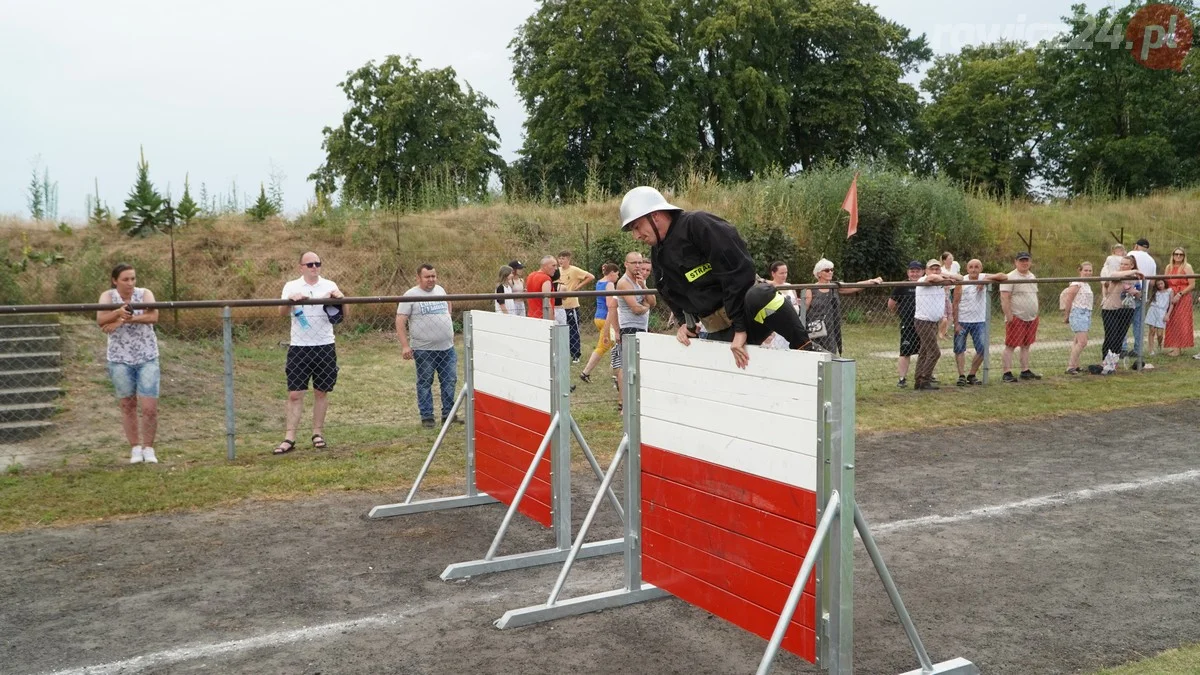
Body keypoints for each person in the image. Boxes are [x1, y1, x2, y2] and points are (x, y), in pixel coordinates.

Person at [619, 186, 811, 369]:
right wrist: (684, 322)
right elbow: (668, 291)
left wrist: (740, 328)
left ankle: (806, 348)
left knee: (761, 295)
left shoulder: (697, 224)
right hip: (718, 329)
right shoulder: (658, 253)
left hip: (749, 313)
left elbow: (736, 270)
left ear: (655, 216)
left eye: (637, 227)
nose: (636, 236)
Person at [277, 251, 345, 454]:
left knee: (321, 392)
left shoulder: (330, 285)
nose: (314, 267)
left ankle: (317, 433)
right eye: (310, 264)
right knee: (295, 394)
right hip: (299, 346)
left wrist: (342, 299)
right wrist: (291, 301)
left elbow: (344, 315)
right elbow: (280, 313)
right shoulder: (291, 286)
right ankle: (289, 438)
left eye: (317, 263)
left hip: (325, 345)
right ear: (301, 267)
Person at [96, 264, 161, 464]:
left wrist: (125, 320)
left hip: (147, 356)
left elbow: (153, 316)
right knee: (127, 404)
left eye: (133, 278)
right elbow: (101, 321)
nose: (131, 283)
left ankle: (148, 448)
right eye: (126, 279)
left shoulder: (145, 294)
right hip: (119, 359)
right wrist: (117, 313)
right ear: (115, 280)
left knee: (149, 406)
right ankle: (135, 447)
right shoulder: (107, 297)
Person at [397, 264, 459, 429]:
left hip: (447, 347)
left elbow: (448, 308)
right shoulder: (410, 295)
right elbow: (400, 321)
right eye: (427, 277)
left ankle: (449, 414)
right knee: (425, 382)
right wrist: (405, 346)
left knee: (450, 381)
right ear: (418, 278)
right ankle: (427, 417)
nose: (431, 279)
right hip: (424, 349)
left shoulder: (441, 290)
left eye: (433, 276)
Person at [801, 259, 883, 355]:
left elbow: (855, 286)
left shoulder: (835, 286)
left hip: (831, 330)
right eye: (827, 270)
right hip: (814, 330)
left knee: (830, 357)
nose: (830, 272)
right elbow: (803, 311)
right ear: (819, 274)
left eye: (832, 270)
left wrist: (871, 281)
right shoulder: (810, 289)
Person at [607, 252, 654, 410]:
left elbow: (653, 302)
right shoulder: (624, 283)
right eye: (634, 262)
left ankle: (634, 402)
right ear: (626, 264)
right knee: (628, 368)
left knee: (638, 366)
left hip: (642, 327)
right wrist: (645, 306)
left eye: (640, 262)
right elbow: (635, 308)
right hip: (630, 328)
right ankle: (625, 404)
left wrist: (644, 286)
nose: (638, 266)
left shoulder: (640, 281)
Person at [951, 259, 1005, 385]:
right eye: (971, 267)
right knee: (959, 349)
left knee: (982, 348)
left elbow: (1003, 276)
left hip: (979, 321)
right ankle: (961, 376)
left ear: (980, 268)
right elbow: (955, 303)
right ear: (967, 268)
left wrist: (986, 281)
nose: (973, 269)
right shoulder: (962, 281)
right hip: (963, 320)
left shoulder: (983, 277)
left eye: (976, 267)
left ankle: (971, 374)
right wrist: (956, 323)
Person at [998, 252, 1042, 383]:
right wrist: (1009, 316)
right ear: (1016, 262)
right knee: (1011, 345)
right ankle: (1006, 372)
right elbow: (1004, 297)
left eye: (1027, 260)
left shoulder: (1032, 276)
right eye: (1022, 261)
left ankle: (1025, 370)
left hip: (1031, 317)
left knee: (1026, 345)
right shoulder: (1010, 277)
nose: (1024, 263)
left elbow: (1034, 295)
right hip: (1017, 317)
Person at [913, 259, 953, 390]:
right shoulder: (923, 280)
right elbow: (932, 278)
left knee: (924, 351)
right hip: (923, 321)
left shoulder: (940, 282)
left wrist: (948, 277)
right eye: (932, 268)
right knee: (935, 352)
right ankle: (925, 379)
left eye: (937, 268)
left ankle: (918, 380)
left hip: (934, 322)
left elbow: (958, 277)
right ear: (926, 270)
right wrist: (945, 278)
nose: (935, 271)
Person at [580, 263, 620, 384]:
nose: (618, 277)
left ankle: (615, 374)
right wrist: (609, 325)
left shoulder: (599, 282)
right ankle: (586, 372)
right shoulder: (609, 284)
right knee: (605, 347)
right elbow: (610, 305)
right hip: (606, 318)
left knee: (611, 346)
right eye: (617, 274)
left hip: (598, 317)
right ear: (612, 273)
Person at [1099, 256, 1144, 363]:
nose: (1123, 266)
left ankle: (1114, 361)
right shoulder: (1117, 274)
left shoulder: (1134, 278)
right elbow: (1113, 275)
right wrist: (1135, 271)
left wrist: (1134, 292)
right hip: (1111, 309)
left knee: (1120, 337)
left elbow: (1139, 295)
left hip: (1126, 310)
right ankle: (1105, 361)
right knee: (1111, 336)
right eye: (1122, 264)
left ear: (1131, 265)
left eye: (1126, 264)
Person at [887, 261, 923, 388]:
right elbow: (891, 304)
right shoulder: (902, 285)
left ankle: (925, 376)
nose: (915, 273)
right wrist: (902, 314)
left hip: (924, 324)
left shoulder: (926, 284)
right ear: (908, 272)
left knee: (925, 351)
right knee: (905, 351)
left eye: (917, 271)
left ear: (923, 272)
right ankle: (902, 379)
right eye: (912, 271)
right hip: (908, 324)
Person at [557, 250, 595, 363]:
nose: (561, 261)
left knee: (573, 329)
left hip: (571, 305)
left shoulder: (574, 270)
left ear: (568, 259)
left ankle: (575, 354)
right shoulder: (557, 271)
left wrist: (578, 286)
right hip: (560, 306)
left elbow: (590, 276)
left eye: (563, 258)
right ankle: (562, 353)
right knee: (561, 330)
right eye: (559, 258)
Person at [1060, 262, 1095, 375]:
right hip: (1078, 312)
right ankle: (1070, 367)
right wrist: (1067, 314)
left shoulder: (1087, 285)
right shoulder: (1076, 283)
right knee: (1082, 342)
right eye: (1085, 270)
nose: (1088, 273)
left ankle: (1076, 365)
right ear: (1080, 271)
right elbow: (1069, 299)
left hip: (1087, 313)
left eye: (1090, 270)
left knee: (1077, 341)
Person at [1162, 248, 1195, 358]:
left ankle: (1179, 348)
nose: (1178, 256)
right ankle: (1175, 346)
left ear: (1184, 256)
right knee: (1171, 321)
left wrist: (1179, 294)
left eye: (1181, 254)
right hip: (1171, 295)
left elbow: (1192, 284)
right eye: (1176, 254)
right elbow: (1165, 282)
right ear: (1173, 255)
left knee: (1181, 321)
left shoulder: (1187, 267)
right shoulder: (1169, 267)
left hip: (1183, 297)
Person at [1127, 238, 1157, 357]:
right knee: (1138, 324)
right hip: (1142, 294)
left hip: (1129, 292)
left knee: (1123, 321)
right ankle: (1137, 349)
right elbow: (1153, 282)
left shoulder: (1131, 254)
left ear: (1136, 246)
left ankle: (1122, 348)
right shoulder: (1151, 260)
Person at [938, 251, 961, 339]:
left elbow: (959, 276)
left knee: (951, 313)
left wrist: (950, 276)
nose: (951, 260)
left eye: (952, 258)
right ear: (944, 260)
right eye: (949, 259)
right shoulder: (941, 269)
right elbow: (941, 275)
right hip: (945, 292)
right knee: (944, 315)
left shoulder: (955, 265)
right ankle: (941, 332)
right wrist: (951, 277)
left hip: (954, 289)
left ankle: (945, 331)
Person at [1145, 278, 1170, 356]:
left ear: (1164, 283)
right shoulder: (1155, 292)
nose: (1160, 286)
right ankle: (1151, 350)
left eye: (1161, 284)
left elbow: (1171, 304)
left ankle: (1159, 344)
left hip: (1162, 312)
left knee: (1160, 334)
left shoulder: (1169, 291)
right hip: (1153, 310)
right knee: (1152, 331)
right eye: (1158, 284)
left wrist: (1167, 314)